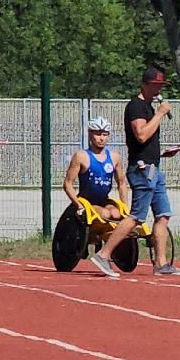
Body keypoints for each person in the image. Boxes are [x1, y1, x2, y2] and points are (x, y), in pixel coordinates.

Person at [123, 66, 180, 275]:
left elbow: (148, 141)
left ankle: (161, 264)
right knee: (137, 217)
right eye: (155, 85)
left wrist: (163, 154)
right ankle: (104, 254)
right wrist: (160, 114)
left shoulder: (150, 108)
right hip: (142, 169)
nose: (158, 90)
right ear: (144, 85)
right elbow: (141, 135)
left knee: (163, 215)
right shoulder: (136, 106)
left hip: (154, 167)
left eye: (161, 86)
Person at [62, 116, 139, 279]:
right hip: (87, 201)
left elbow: (121, 182)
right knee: (105, 214)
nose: (101, 138)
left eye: (104, 134)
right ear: (90, 134)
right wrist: (78, 205)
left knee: (116, 214)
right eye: (97, 134)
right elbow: (68, 184)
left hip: (104, 200)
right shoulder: (81, 156)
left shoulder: (115, 157)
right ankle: (93, 241)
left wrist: (125, 205)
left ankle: (109, 244)